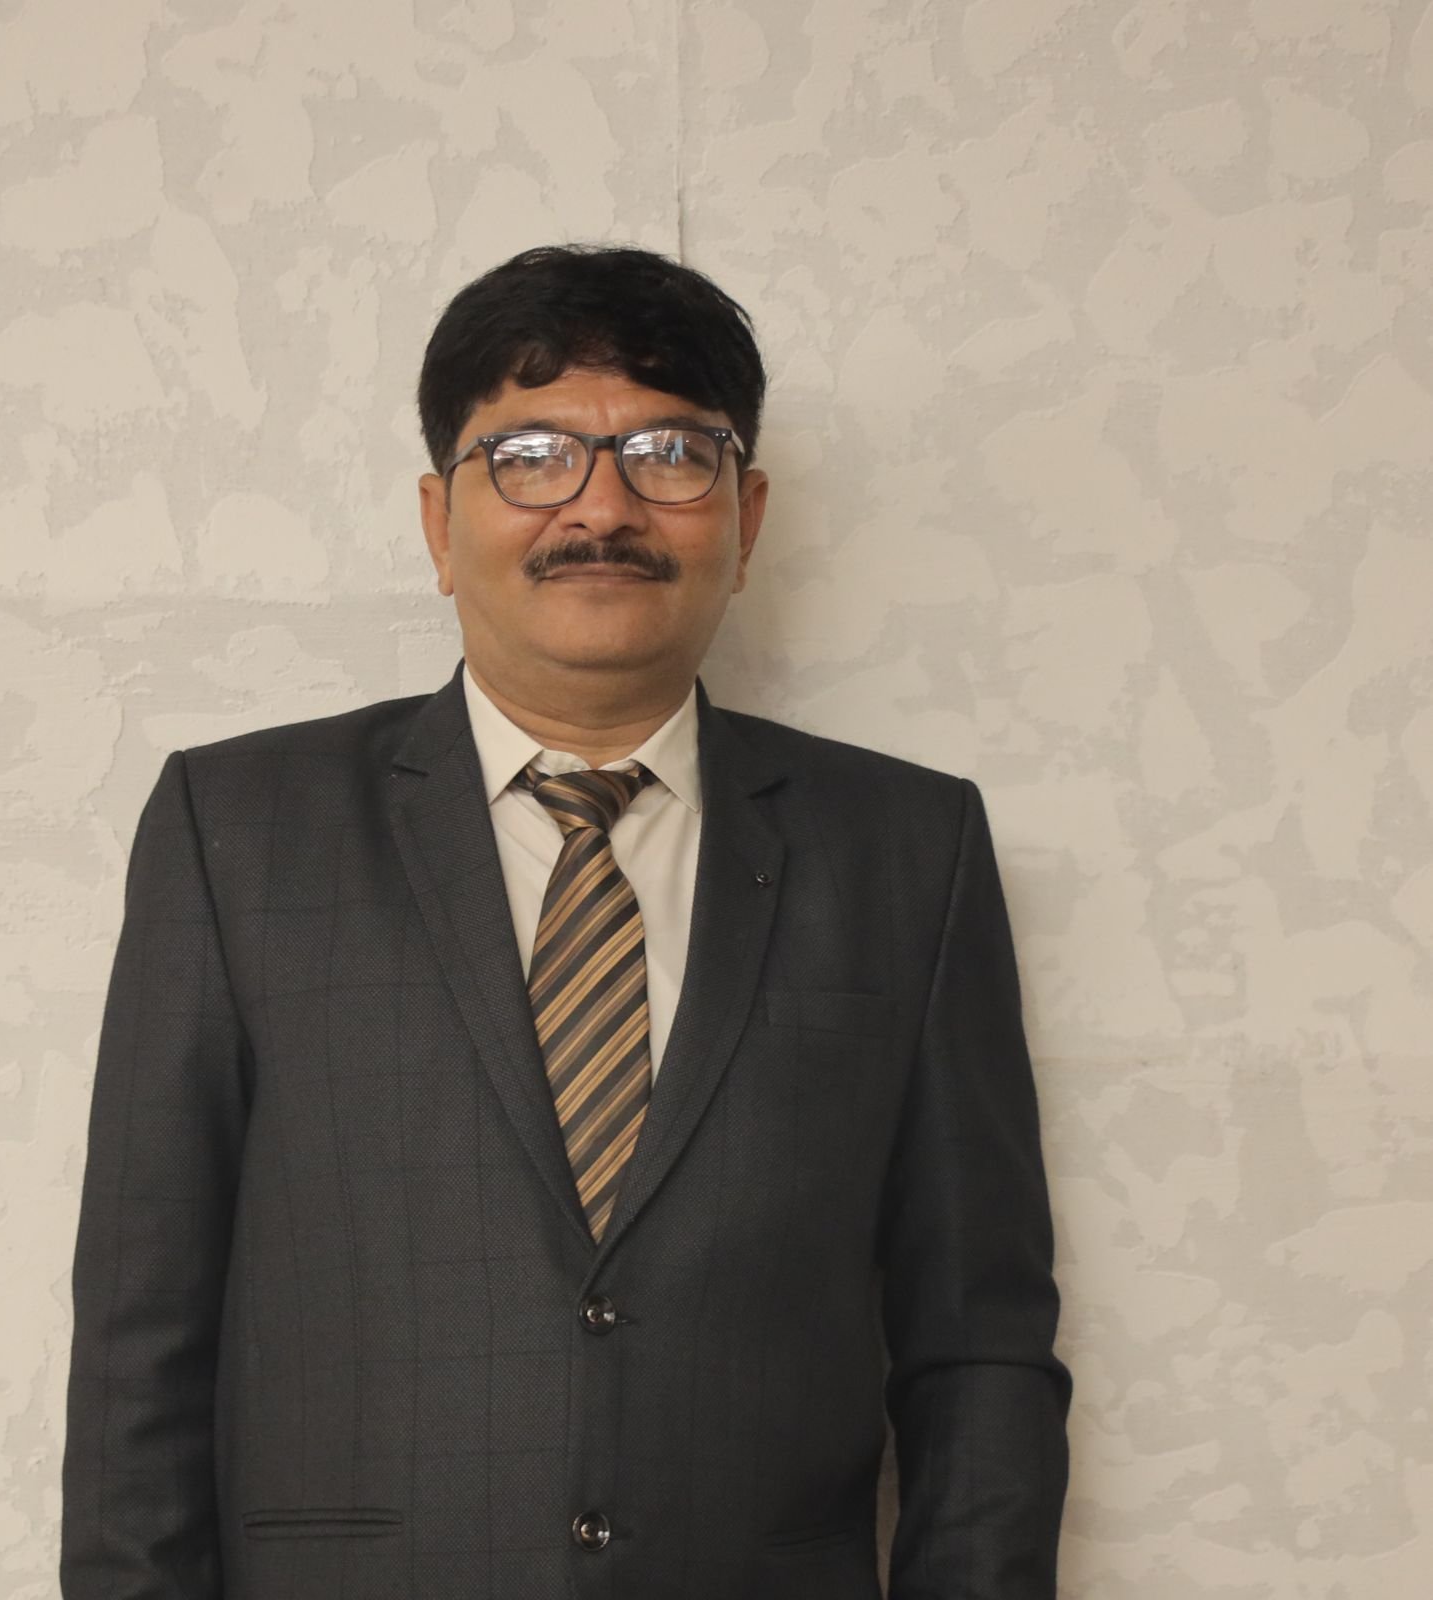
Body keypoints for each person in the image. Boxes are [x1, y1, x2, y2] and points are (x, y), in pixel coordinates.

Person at [61, 243, 1070, 1600]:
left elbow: (981, 1348)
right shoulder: (237, 830)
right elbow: (139, 1342)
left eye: (670, 452)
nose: (602, 507)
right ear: (440, 522)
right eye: (531, 455)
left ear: (746, 517)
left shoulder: (906, 850)